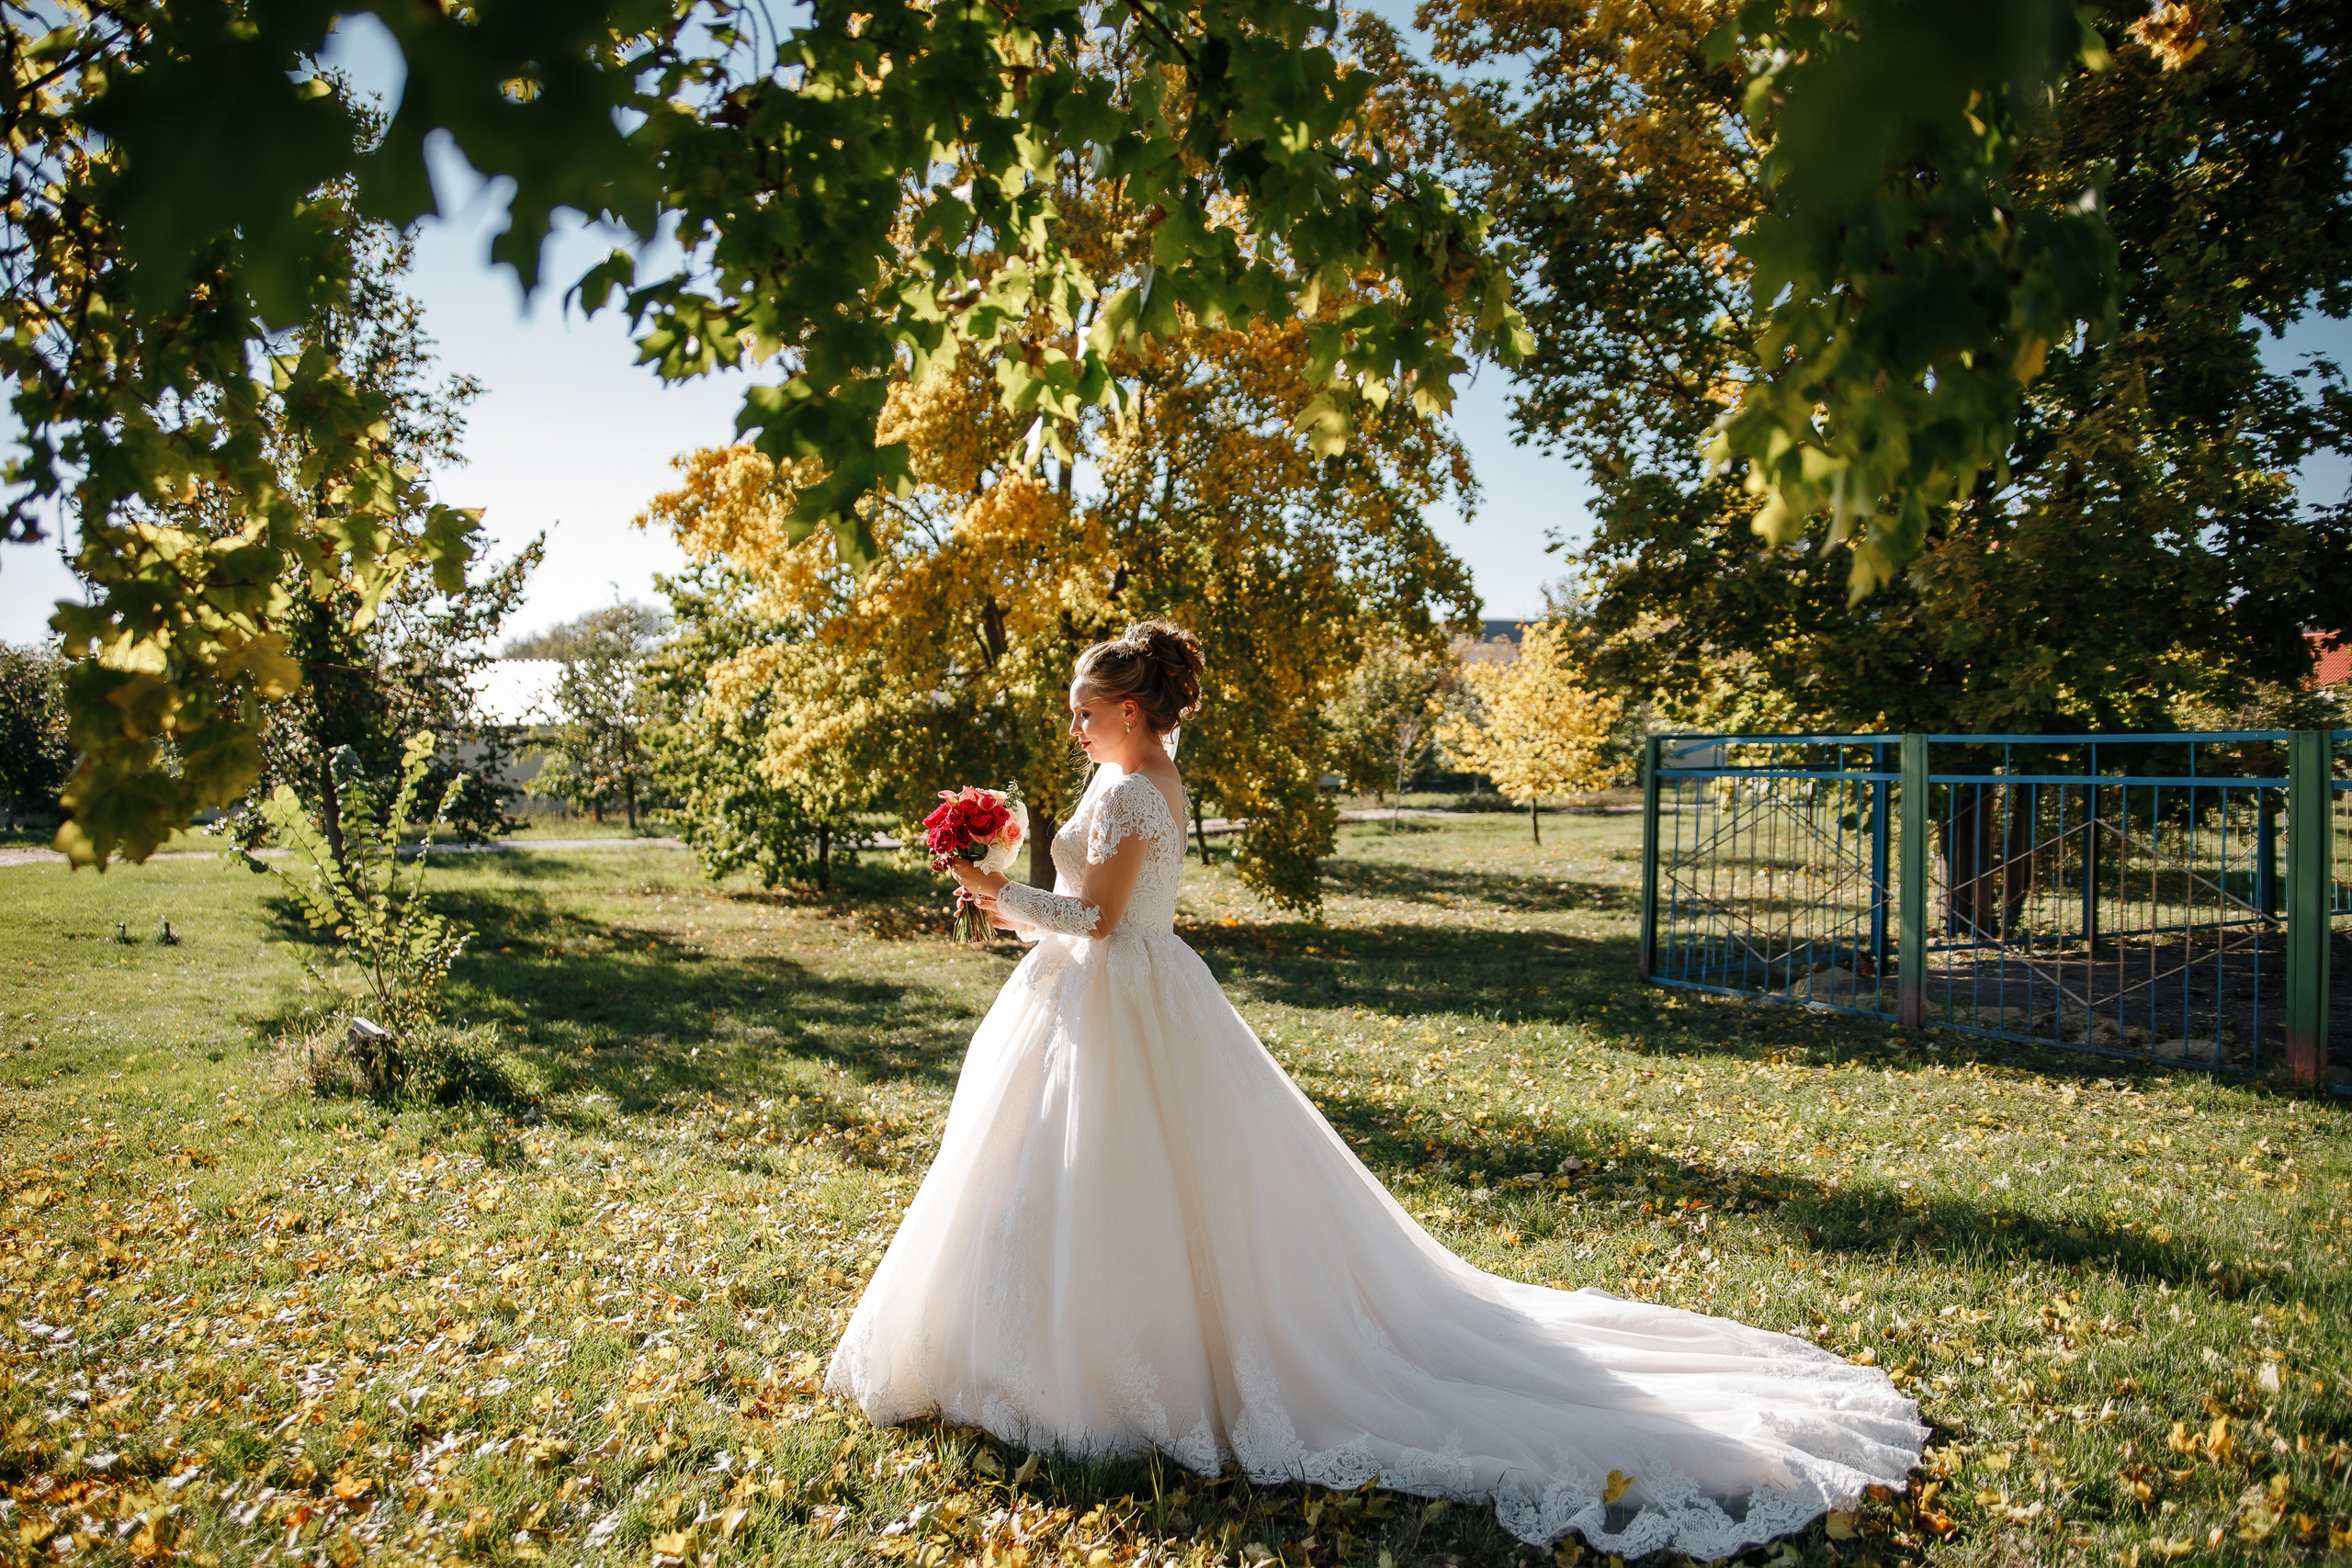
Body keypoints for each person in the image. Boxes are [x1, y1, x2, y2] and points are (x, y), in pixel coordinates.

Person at [826, 622, 1925, 1558]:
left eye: (1085, 712)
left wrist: (998, 890)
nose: (1074, 728)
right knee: (1057, 1177)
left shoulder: (1134, 792)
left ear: (1133, 710)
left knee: (1116, 1179)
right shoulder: (1123, 778)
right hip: (1103, 999)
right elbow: (1088, 892)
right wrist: (1015, 868)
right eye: (1073, 715)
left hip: (1118, 993)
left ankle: (1109, 1377)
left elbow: (1100, 922)